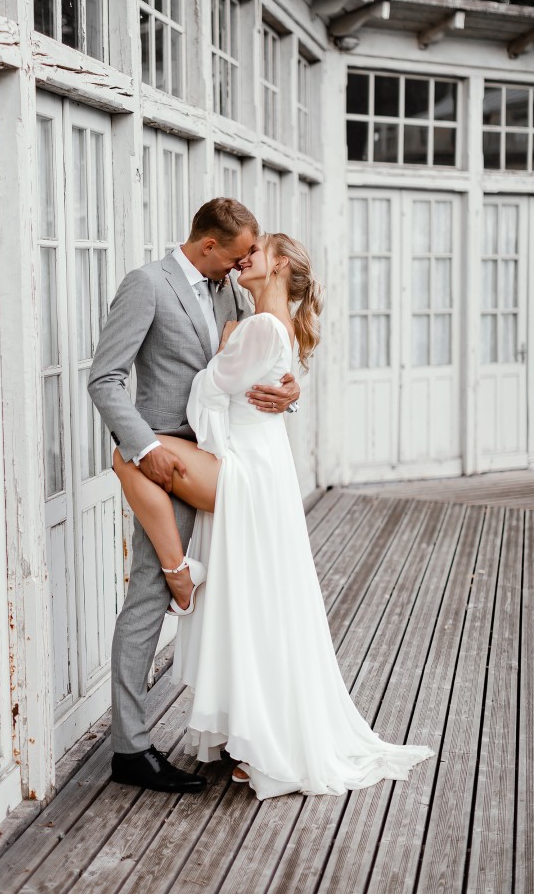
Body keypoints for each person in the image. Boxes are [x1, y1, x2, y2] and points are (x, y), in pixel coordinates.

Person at [112, 231, 437, 800]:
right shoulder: (253, 315)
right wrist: (251, 364)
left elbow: (207, 393)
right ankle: (254, 734)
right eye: (240, 253)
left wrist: (231, 355)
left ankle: (179, 573)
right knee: (258, 607)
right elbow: (256, 376)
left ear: (280, 264)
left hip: (243, 468)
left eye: (255, 252)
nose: (244, 260)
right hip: (261, 465)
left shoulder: (257, 323)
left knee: (127, 455)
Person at [88, 198, 300, 794]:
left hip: (224, 460)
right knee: (148, 597)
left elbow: (256, 361)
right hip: (169, 464)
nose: (240, 267)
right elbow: (105, 378)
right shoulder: (147, 285)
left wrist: (290, 394)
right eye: (235, 256)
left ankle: (243, 732)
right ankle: (131, 749)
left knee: (237, 599)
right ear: (209, 245)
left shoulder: (230, 292)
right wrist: (142, 448)